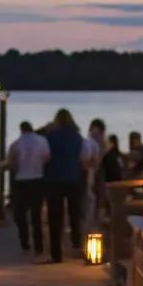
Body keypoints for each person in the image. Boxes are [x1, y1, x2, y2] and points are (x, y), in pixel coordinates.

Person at [43, 107, 84, 261]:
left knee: (55, 216)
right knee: (74, 213)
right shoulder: (77, 137)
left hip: (54, 179)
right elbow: (82, 156)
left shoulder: (51, 137)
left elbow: (45, 156)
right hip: (73, 177)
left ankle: (56, 253)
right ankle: (76, 244)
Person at [7, 120, 50, 253]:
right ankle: (38, 244)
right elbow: (47, 157)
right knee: (36, 214)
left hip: (21, 182)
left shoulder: (16, 144)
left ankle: (24, 241)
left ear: (21, 130)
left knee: (20, 214)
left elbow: (11, 162)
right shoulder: (42, 141)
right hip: (37, 180)